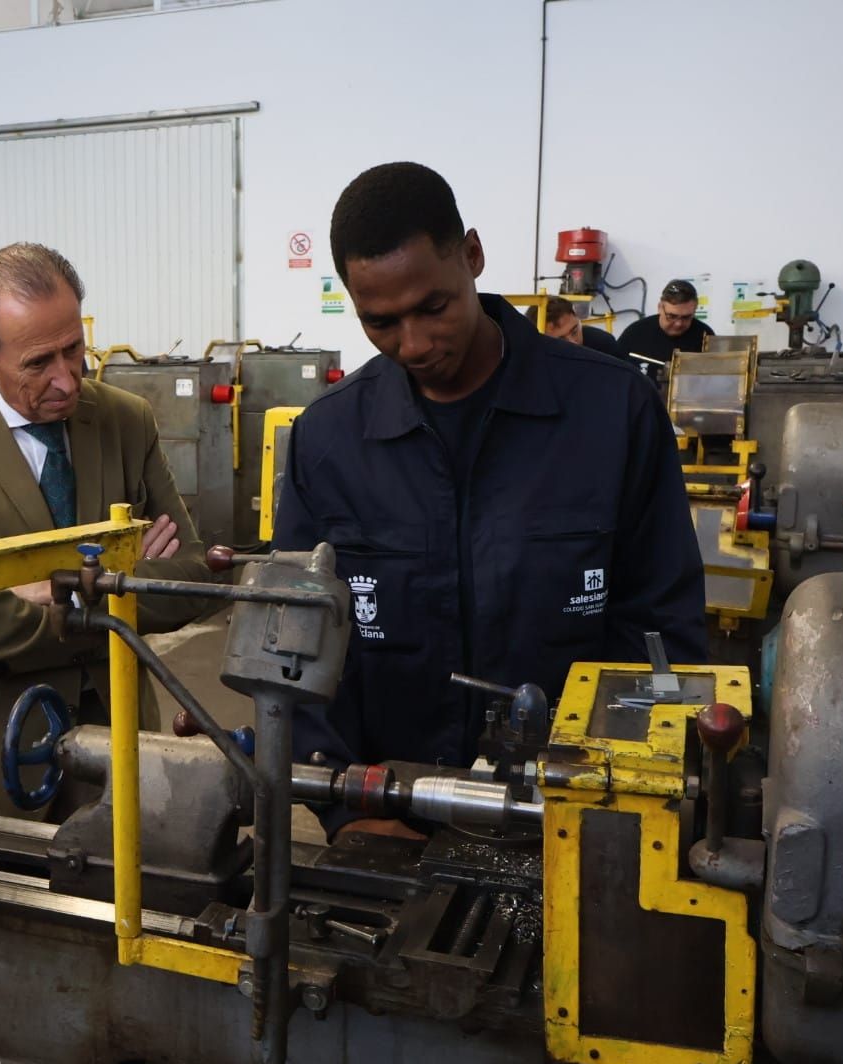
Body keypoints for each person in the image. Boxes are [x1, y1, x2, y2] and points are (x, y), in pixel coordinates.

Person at [273, 163, 705, 841]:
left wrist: (615, 799)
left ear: (471, 255)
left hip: (572, 817)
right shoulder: (326, 441)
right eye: (380, 322)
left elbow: (661, 627)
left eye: (433, 307)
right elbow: (294, 638)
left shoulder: (613, 412)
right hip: (390, 819)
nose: (413, 344)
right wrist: (341, 801)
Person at [0, 242, 214, 817]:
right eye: (38, 363)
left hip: (115, 734)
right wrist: (124, 584)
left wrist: (49, 589)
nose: (67, 380)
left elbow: (189, 577)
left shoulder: (125, 421)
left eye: (74, 349)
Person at [617, 279, 716, 369]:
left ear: (695, 310)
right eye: (672, 316)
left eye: (686, 317)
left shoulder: (705, 336)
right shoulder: (635, 334)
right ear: (660, 308)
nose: (678, 324)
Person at [523, 295, 630, 365]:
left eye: (574, 331)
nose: (574, 342)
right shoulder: (532, 362)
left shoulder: (603, 345)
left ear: (578, 319)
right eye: (561, 340)